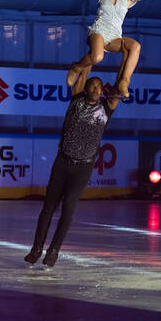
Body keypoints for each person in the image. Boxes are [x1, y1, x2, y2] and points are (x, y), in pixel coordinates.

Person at [24, 66, 121, 268]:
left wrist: (125, 68)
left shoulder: (106, 108)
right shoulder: (76, 100)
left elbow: (121, 86)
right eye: (92, 85)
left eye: (99, 87)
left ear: (103, 91)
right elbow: (82, 71)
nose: (96, 88)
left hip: (83, 168)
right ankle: (36, 249)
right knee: (49, 207)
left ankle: (53, 251)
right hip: (62, 163)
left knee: (68, 208)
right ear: (85, 89)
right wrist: (94, 55)